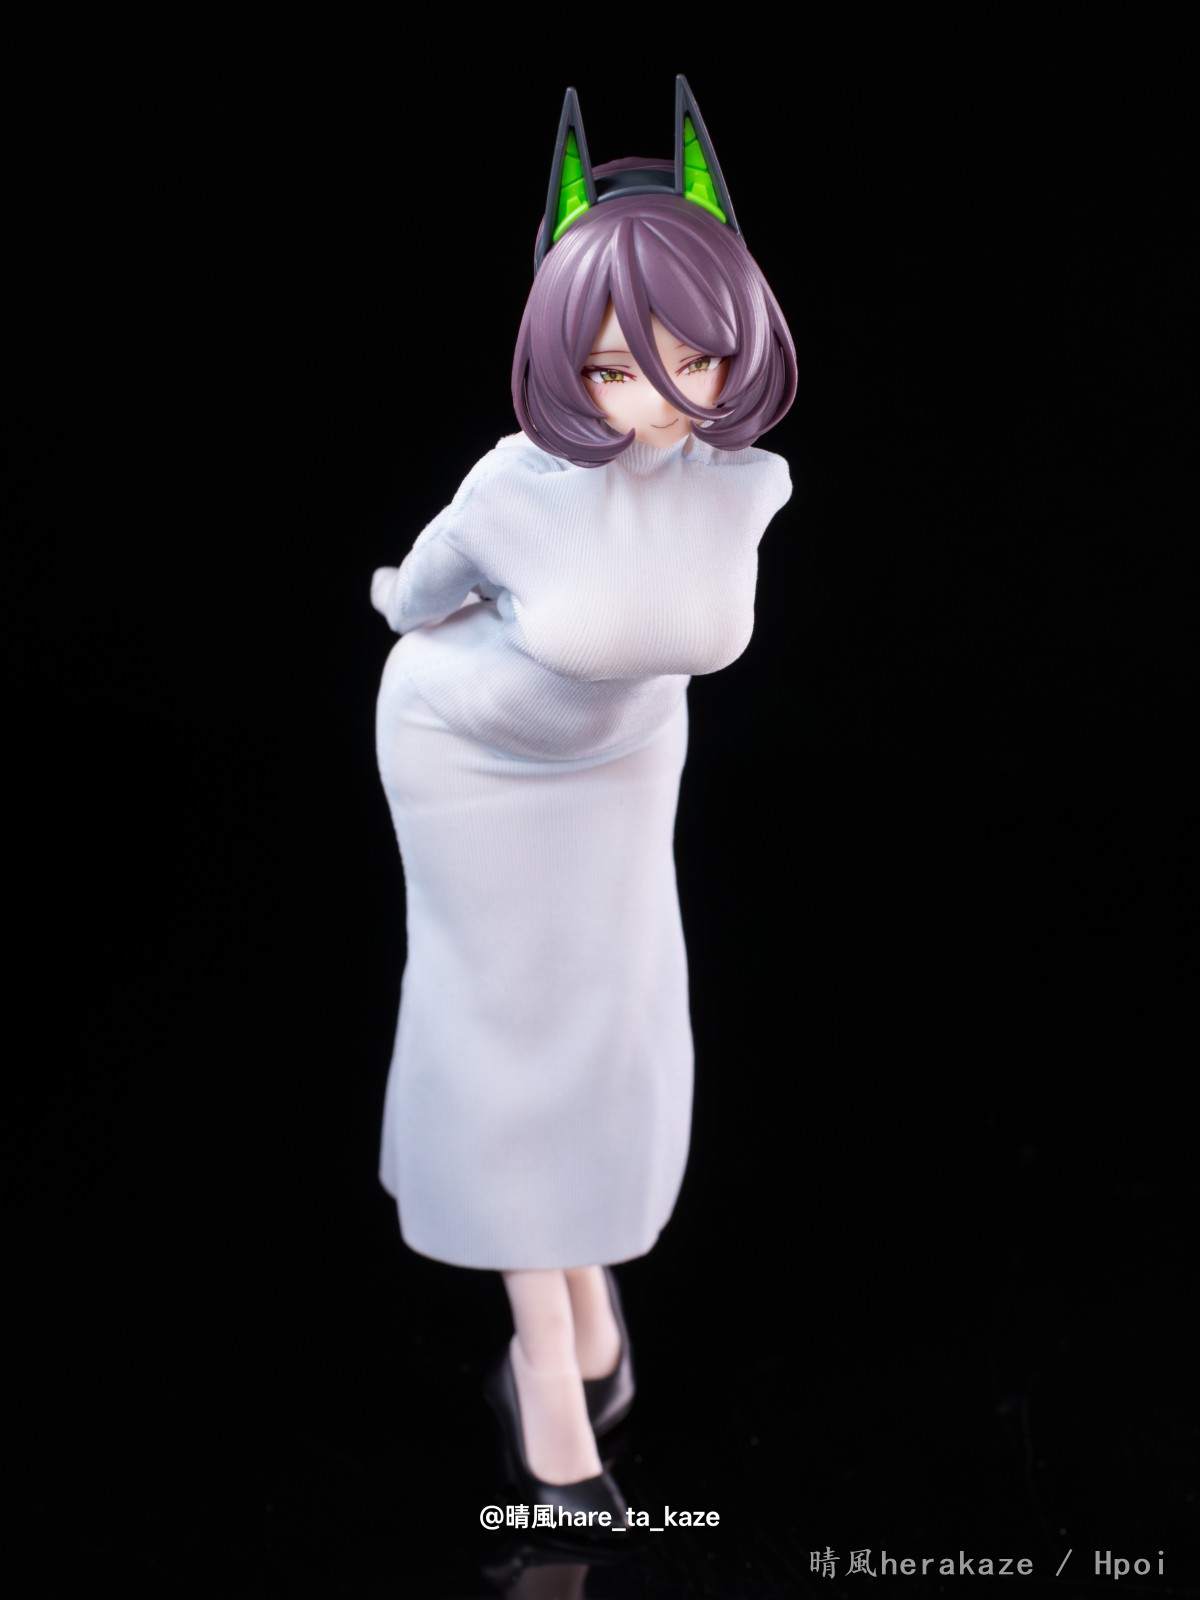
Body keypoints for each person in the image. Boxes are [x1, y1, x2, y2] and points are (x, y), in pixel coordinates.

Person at [371, 78, 797, 1517]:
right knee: (503, 1028)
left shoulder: (740, 486)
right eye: (616, 368)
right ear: (561, 358)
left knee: (607, 1018)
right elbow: (419, 595)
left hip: (621, 762)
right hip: (468, 749)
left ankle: (589, 1273)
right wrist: (397, 600)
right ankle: (547, 1360)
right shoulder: (514, 488)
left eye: (692, 358)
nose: (658, 398)